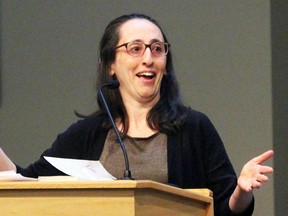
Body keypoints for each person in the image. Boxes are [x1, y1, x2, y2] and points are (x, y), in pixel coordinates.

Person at [0, 13, 273, 216]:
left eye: (157, 48)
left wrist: (242, 191)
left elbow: (226, 208)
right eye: (135, 48)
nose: (148, 58)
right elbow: (25, 182)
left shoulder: (194, 128)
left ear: (166, 64)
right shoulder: (88, 134)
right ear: (110, 66)